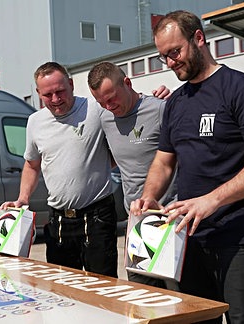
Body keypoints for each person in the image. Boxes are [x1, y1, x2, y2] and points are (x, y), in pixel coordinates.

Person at [130, 10, 244, 324]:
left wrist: (211, 200)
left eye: (175, 52)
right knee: (196, 319)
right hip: (189, 238)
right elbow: (163, 160)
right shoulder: (176, 102)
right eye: (163, 57)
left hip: (238, 236)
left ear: (198, 38)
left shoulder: (242, 90)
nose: (171, 62)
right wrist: (149, 196)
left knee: (242, 319)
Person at [0, 62, 118, 278]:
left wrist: (156, 98)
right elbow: (32, 164)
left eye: (60, 91)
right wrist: (23, 198)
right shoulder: (35, 122)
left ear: (71, 84)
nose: (55, 99)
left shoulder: (96, 109)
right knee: (61, 290)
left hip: (97, 217)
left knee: (103, 288)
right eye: (48, 95)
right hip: (59, 222)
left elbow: (128, 110)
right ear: (38, 94)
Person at [87, 61, 177, 289]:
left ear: (127, 83)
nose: (108, 106)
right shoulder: (106, 119)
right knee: (143, 299)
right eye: (101, 102)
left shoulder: (159, 109)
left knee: (180, 301)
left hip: (170, 220)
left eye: (112, 98)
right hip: (136, 223)